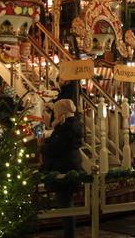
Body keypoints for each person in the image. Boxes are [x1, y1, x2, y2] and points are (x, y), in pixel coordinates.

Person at [41, 99, 83, 238]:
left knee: (65, 204)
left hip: (64, 168)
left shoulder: (66, 128)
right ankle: (68, 233)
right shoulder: (69, 126)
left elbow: (56, 147)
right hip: (68, 166)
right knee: (65, 202)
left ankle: (69, 234)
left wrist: (43, 146)